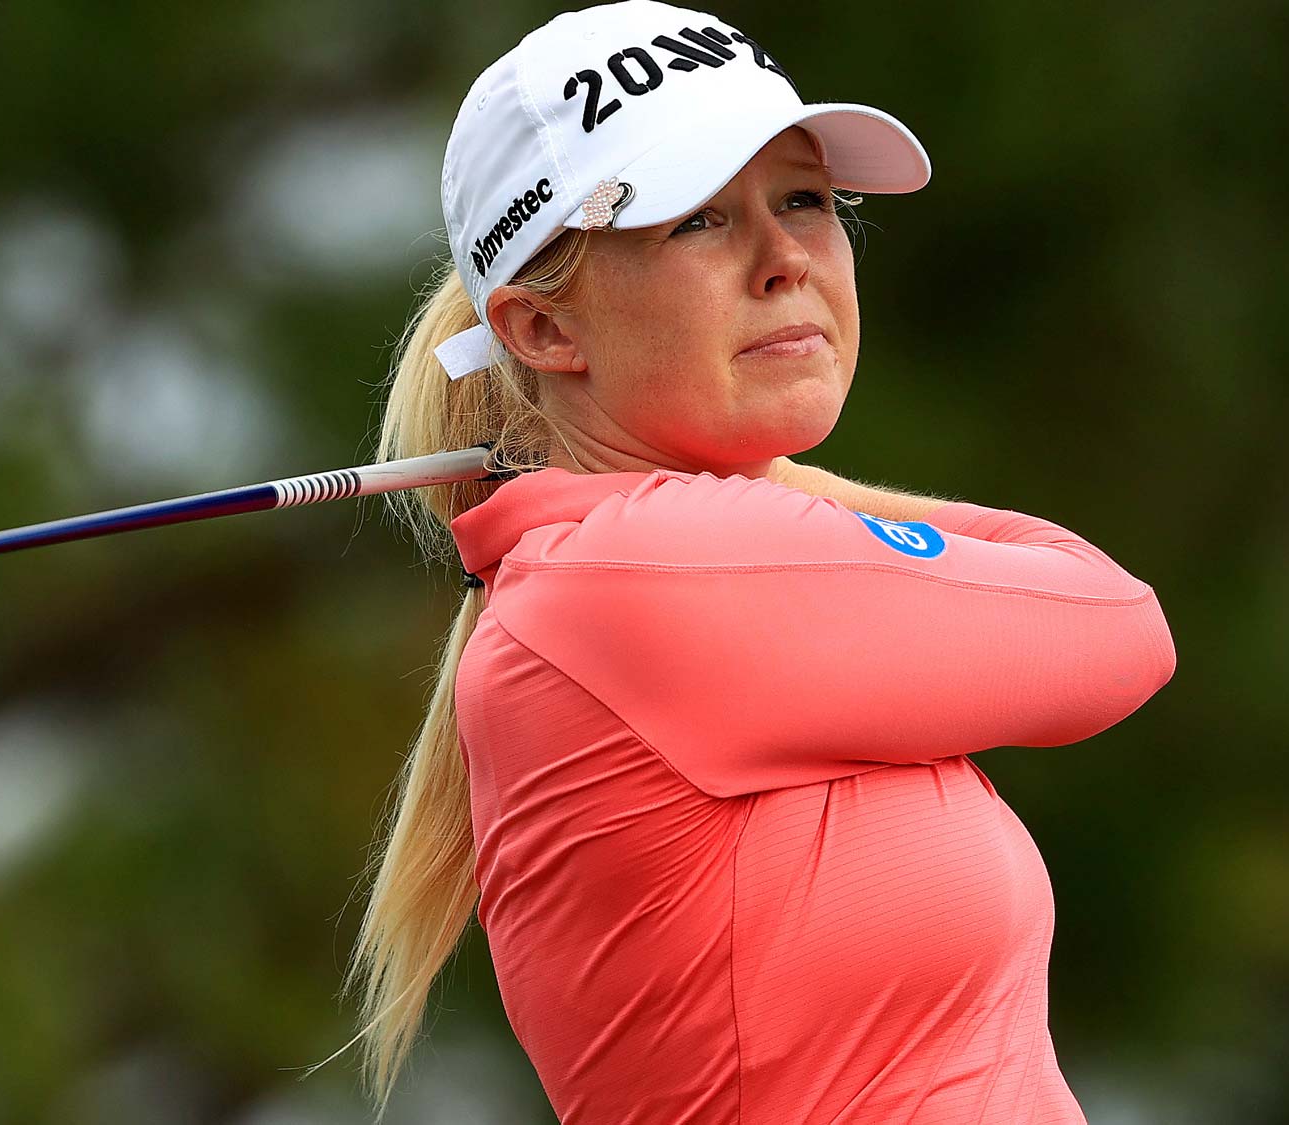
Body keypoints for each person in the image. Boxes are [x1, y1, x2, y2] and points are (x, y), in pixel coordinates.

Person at [327, 2, 1178, 1121]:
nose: (784, 262)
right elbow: (1112, 626)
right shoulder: (628, 577)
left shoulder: (618, 566)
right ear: (540, 331)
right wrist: (771, 482)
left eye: (804, 201)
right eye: (694, 221)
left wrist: (757, 475)